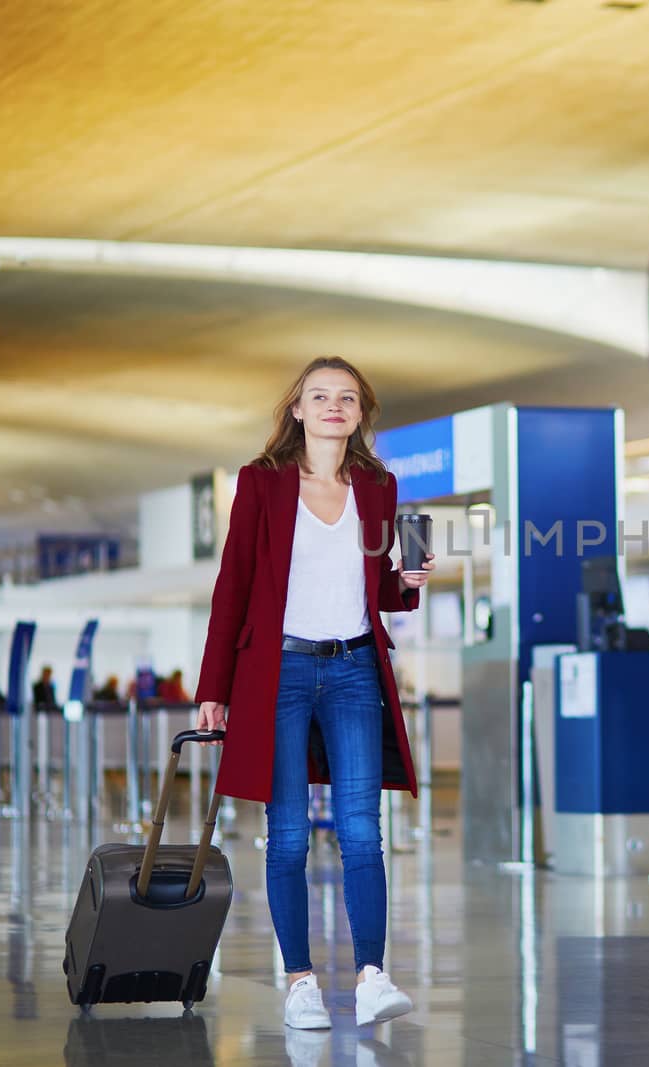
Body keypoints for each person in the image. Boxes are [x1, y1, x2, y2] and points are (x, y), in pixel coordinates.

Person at [194, 355, 433, 1032]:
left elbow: (379, 589)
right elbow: (233, 587)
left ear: (361, 412)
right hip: (282, 672)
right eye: (320, 396)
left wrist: (408, 582)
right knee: (290, 835)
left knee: (362, 829)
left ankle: (371, 976)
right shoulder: (262, 483)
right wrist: (214, 686)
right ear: (296, 409)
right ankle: (300, 981)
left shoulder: (377, 486)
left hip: (356, 667)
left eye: (347, 397)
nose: (334, 405)